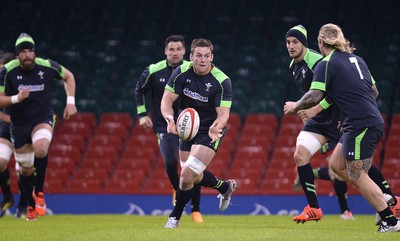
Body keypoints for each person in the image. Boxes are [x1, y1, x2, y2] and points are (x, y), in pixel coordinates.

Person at [284, 23, 399, 233]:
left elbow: (315, 95)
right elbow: (374, 91)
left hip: (359, 123)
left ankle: (390, 220)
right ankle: (386, 199)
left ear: (320, 42)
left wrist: (296, 105)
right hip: (365, 120)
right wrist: (348, 113)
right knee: (337, 165)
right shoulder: (358, 60)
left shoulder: (325, 63)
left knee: (357, 174)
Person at [0, 33, 77, 221]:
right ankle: (30, 205)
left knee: (41, 147)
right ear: (18, 55)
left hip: (42, 117)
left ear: (34, 52)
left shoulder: (47, 65)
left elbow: (68, 76)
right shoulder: (7, 71)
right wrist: (17, 98)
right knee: (25, 169)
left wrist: (70, 102)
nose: (27, 55)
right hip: (19, 124)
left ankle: (40, 193)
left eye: (29, 51)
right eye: (23, 52)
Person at [161, 38, 237, 228]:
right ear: (191, 56)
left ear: (212, 57)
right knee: (190, 177)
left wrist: (216, 127)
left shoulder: (222, 80)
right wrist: (170, 119)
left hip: (209, 130)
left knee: (186, 176)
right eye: (199, 55)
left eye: (207, 56)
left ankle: (174, 218)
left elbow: (223, 115)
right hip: (186, 128)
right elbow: (166, 101)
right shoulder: (181, 72)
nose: (203, 60)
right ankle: (225, 187)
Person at [134, 35, 204, 223]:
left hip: (191, 127)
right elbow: (139, 89)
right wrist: (142, 115)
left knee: (192, 166)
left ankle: (196, 209)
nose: (175, 53)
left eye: (178, 49)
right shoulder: (153, 71)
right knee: (171, 161)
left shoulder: (193, 69)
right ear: (165, 51)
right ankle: (178, 188)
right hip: (164, 125)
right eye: (171, 49)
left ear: (184, 51)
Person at [0, 52, 16, 217]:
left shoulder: (26, 81)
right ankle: (7, 197)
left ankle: (28, 203)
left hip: (28, 128)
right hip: (8, 127)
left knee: (24, 169)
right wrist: (9, 119)